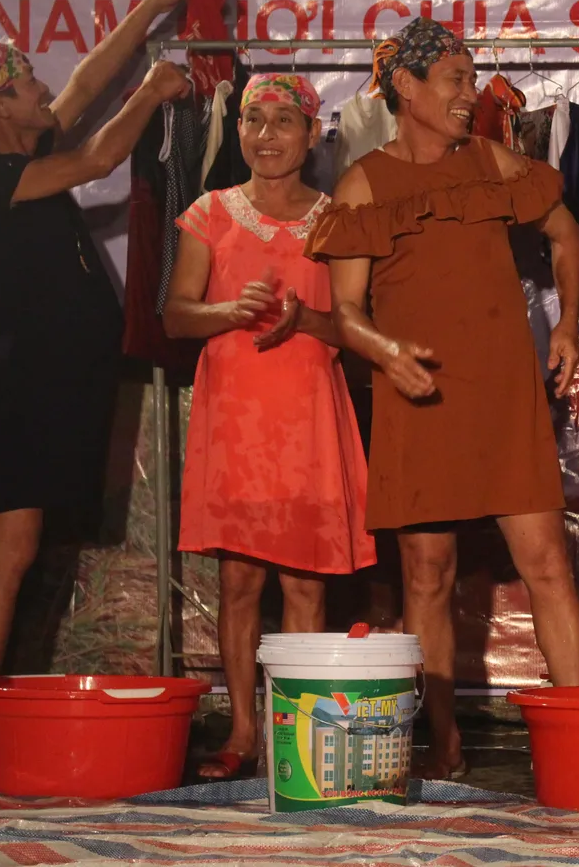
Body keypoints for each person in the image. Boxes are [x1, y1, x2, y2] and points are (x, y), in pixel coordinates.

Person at [305, 17, 579, 778]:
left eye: (471, 80)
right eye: (456, 81)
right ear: (406, 86)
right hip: (419, 395)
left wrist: (567, 323)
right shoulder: (364, 180)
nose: (471, 96)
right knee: (425, 574)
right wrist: (386, 352)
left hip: (504, 394)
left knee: (548, 565)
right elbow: (347, 313)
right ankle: (444, 744)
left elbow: (566, 235)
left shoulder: (493, 160)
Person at [0, 0, 198, 674]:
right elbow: (101, 155)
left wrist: (153, 7)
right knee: (9, 547)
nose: (44, 89)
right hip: (18, 385)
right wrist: (154, 92)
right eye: (26, 82)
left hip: (22, 380)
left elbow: (84, 81)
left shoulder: (18, 153)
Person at [163, 73, 376, 779]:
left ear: (312, 134)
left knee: (308, 585)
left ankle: (300, 735)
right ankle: (244, 733)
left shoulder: (334, 220)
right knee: (240, 583)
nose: (265, 136)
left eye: (283, 122)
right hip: (238, 422)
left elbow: (350, 326)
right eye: (254, 121)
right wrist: (228, 312)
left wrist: (308, 323)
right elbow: (174, 313)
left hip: (308, 418)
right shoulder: (211, 212)